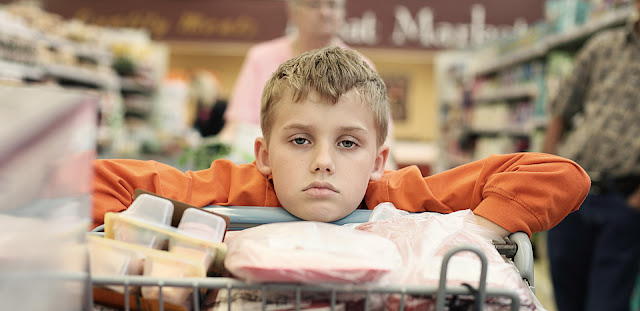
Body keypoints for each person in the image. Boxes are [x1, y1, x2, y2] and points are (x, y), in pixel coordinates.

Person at [94, 46, 590, 245]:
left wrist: (475, 232)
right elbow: (99, 180)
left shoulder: (397, 197)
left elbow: (560, 174)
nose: (323, 162)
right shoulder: (227, 189)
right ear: (264, 155)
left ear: (378, 161)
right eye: (300, 140)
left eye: (348, 143)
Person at [541, 4, 640, 311]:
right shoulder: (604, 46)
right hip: (572, 195)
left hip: (623, 203)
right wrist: (546, 170)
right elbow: (562, 109)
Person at [217, 0, 397, 168]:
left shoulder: (362, 66)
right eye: (314, 5)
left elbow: (382, 135)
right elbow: (237, 127)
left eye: (332, 5)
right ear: (293, 12)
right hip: (272, 168)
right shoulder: (261, 58)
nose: (325, 13)